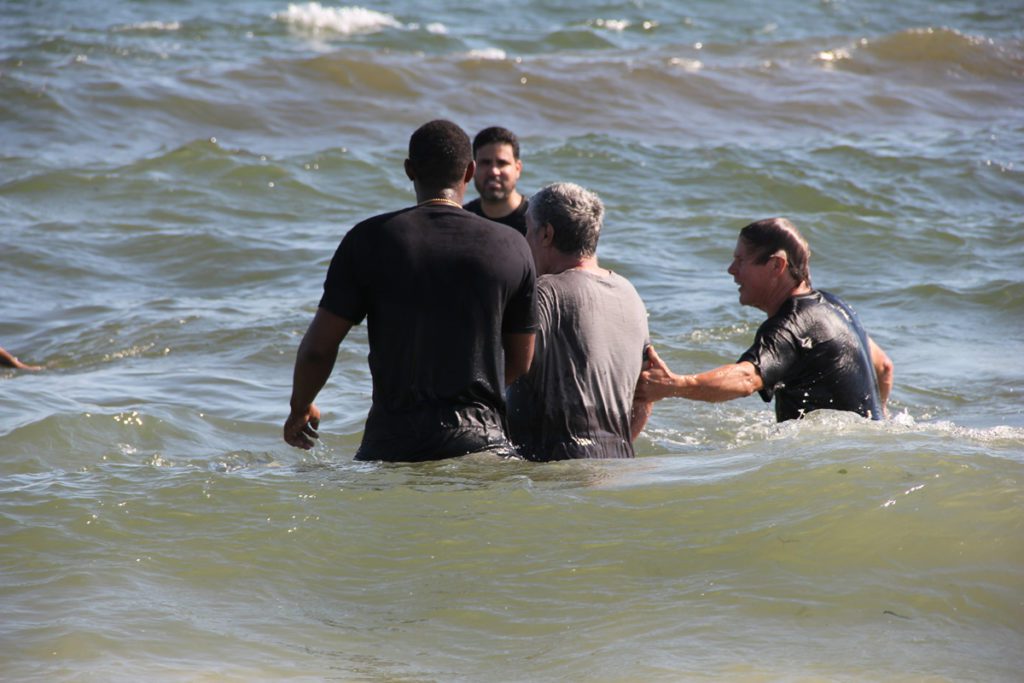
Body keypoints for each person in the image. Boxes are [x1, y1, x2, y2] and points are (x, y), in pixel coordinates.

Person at [284, 120, 538, 462]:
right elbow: (521, 361)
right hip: (483, 444)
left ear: (409, 170)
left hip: (393, 442)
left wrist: (300, 408)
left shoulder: (369, 239)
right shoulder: (513, 245)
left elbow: (319, 347)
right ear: (469, 172)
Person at [636, 217, 894, 422]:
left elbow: (746, 379)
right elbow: (884, 367)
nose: (731, 270)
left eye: (741, 260)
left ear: (776, 266)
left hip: (832, 462)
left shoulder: (791, 325)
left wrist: (676, 385)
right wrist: (876, 422)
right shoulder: (834, 305)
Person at [506, 182, 652, 460]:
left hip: (554, 469)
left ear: (546, 234)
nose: (524, 240)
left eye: (527, 229)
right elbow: (646, 393)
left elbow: (502, 369)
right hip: (618, 459)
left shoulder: (544, 292)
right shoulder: (629, 293)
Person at [462, 126, 529, 235]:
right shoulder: (463, 220)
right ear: (473, 169)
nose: (494, 171)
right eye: (485, 163)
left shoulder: (535, 222)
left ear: (518, 168)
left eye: (502, 163)